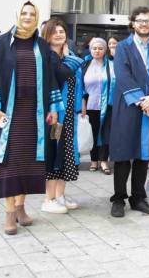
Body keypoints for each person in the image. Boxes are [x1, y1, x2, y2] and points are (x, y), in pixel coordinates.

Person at [0, 1, 62, 234]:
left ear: (37, 17)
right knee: (10, 164)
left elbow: (51, 78)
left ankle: (22, 208)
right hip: (9, 114)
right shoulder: (3, 43)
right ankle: (9, 214)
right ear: (17, 15)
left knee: (29, 164)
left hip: (35, 115)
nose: (27, 17)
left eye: (31, 14)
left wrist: (53, 108)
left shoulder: (42, 45)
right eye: (23, 13)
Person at [108, 7, 149, 218]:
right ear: (133, 23)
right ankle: (118, 198)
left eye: (148, 21)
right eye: (140, 20)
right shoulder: (123, 48)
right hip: (127, 107)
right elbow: (123, 75)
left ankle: (138, 197)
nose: (144, 24)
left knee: (143, 154)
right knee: (124, 153)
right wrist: (141, 101)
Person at [41, 19, 85, 214]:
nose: (59, 34)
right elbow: (63, 73)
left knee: (66, 154)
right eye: (54, 31)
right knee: (53, 153)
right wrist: (69, 58)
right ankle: (48, 199)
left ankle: (59, 195)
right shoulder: (48, 56)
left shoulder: (67, 55)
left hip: (68, 114)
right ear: (47, 35)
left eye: (62, 31)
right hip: (54, 116)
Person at [81, 37, 114, 175]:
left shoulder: (111, 65)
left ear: (105, 50)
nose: (97, 51)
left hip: (108, 105)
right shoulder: (85, 65)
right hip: (90, 106)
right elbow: (81, 88)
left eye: (100, 48)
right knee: (93, 133)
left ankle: (104, 161)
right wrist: (83, 107)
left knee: (106, 134)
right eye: (94, 48)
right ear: (90, 49)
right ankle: (94, 161)